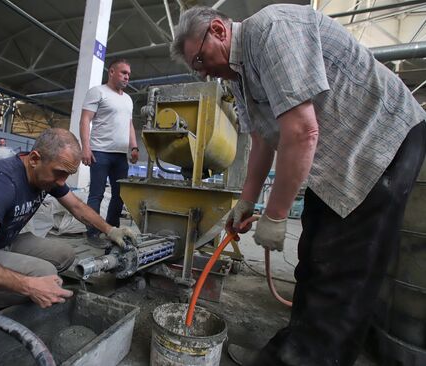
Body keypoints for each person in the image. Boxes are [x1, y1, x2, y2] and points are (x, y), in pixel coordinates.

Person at [171, 5, 426, 366]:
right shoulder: (237, 76)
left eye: (200, 60)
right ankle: (294, 349)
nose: (205, 72)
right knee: (314, 254)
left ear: (218, 29)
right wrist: (246, 202)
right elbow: (261, 139)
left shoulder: (272, 30)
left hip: (380, 141)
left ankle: (311, 356)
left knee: (344, 268)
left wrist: (275, 215)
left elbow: (302, 130)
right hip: (336, 155)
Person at [0, 128, 137, 319]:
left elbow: (77, 207)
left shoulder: (45, 173)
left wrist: (111, 230)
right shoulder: (0, 183)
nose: (62, 182)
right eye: (60, 173)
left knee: (66, 255)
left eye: (68, 174)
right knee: (45, 274)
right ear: (35, 158)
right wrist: (29, 286)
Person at [79, 59, 139, 243]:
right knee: (96, 194)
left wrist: (134, 147)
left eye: (128, 74)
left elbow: (129, 125)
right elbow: (85, 120)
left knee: (119, 195)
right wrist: (86, 147)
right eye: (123, 73)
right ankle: (93, 232)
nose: (127, 77)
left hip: (120, 155)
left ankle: (111, 229)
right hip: (100, 152)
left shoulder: (128, 99)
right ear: (111, 72)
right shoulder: (98, 92)